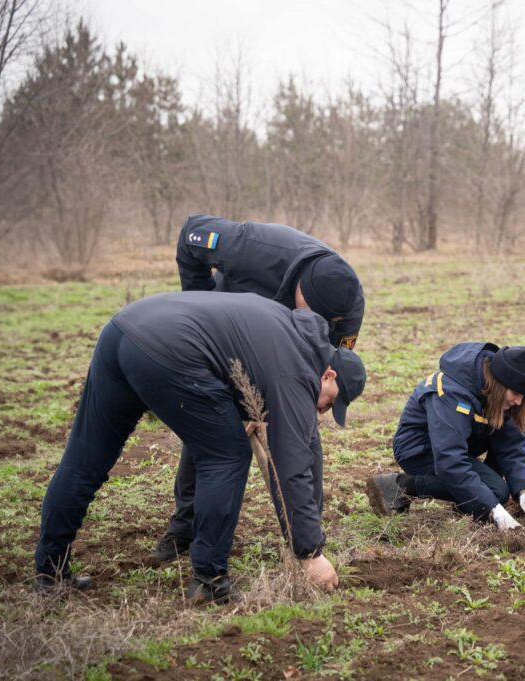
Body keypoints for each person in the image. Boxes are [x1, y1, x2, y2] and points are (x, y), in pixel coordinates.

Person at [33, 291, 366, 602]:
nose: (321, 412)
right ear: (329, 375)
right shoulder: (297, 371)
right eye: (328, 404)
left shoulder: (290, 330)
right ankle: (209, 580)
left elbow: (234, 355)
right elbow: (292, 467)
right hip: (170, 347)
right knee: (226, 454)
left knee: (85, 459)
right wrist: (311, 554)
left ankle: (50, 573)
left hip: (124, 328)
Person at [150, 215, 365, 565]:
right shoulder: (255, 248)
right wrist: (198, 306)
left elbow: (329, 367)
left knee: (302, 435)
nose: (311, 321)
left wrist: (292, 408)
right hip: (221, 337)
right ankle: (184, 528)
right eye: (308, 311)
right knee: (213, 431)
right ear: (299, 288)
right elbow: (191, 235)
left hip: (280, 357)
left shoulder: (347, 310)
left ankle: (305, 537)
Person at [365, 344, 525, 531]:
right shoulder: (453, 393)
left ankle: (472, 498)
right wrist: (492, 507)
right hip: (421, 450)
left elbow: (512, 446)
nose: (518, 401)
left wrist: (524, 491)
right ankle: (400, 486)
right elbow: (450, 460)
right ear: (500, 383)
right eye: (516, 393)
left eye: (523, 395)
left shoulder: (495, 387)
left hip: (460, 442)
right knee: (496, 493)